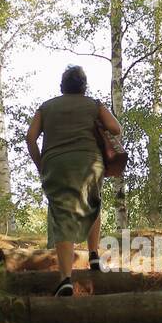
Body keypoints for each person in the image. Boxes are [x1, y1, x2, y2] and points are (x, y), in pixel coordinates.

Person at [25, 65, 123, 296]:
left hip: (56, 163)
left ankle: (66, 279)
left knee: (62, 214)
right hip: (89, 161)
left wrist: (41, 163)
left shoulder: (46, 107)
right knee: (92, 204)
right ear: (83, 86)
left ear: (62, 86)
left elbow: (30, 137)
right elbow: (115, 129)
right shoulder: (93, 104)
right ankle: (94, 256)